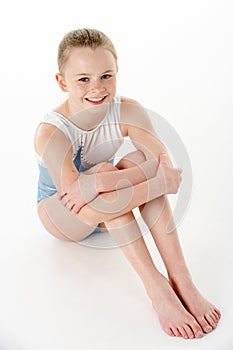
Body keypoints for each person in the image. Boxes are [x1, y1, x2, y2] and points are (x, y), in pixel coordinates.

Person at [34, 28, 221, 339]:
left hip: (107, 202)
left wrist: (119, 179)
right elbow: (81, 205)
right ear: (62, 82)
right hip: (62, 216)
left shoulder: (127, 109)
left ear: (117, 72)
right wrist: (153, 182)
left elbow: (161, 163)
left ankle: (181, 278)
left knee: (131, 167)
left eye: (106, 76)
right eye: (83, 79)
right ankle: (156, 287)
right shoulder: (51, 131)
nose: (97, 88)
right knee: (116, 181)